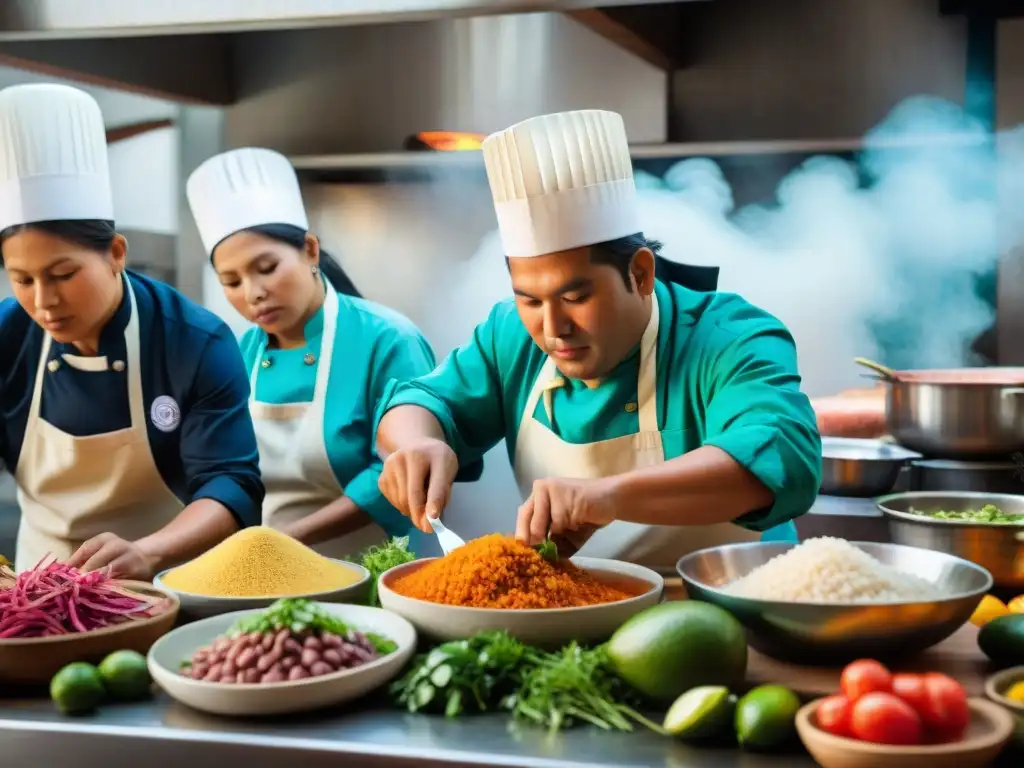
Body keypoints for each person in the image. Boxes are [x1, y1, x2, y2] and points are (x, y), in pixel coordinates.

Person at [374, 109, 822, 571]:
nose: (553, 328)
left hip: (729, 597)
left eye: (575, 296)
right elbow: (420, 400)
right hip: (579, 608)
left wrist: (608, 496)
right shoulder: (511, 336)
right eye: (530, 299)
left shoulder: (730, 338)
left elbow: (778, 453)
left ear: (640, 273)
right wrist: (417, 443)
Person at [0, 83, 264, 578]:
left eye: (63, 274)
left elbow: (232, 483)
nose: (44, 301)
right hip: (36, 592)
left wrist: (150, 552)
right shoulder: (6, 337)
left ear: (116, 252)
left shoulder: (194, 341)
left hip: (169, 581)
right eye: (22, 279)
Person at [187, 147, 471, 558]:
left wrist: (291, 539)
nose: (253, 293)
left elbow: (397, 470)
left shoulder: (388, 339)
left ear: (310, 250)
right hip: (264, 568)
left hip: (370, 568)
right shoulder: (240, 352)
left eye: (266, 268)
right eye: (231, 281)